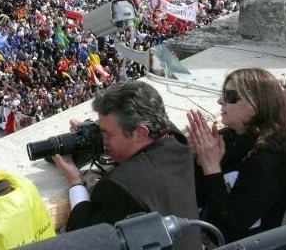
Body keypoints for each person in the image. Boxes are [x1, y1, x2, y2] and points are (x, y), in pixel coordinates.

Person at [53, 81, 200, 250]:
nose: (102, 139)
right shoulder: (178, 143)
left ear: (141, 133)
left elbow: (84, 233)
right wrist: (101, 129)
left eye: (106, 133)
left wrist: (75, 182)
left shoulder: (119, 186)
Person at [187, 68, 286, 243]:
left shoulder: (269, 159)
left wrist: (211, 167)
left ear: (255, 104)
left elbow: (227, 231)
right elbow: (200, 198)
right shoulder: (229, 139)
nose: (220, 101)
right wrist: (197, 158)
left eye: (230, 96)